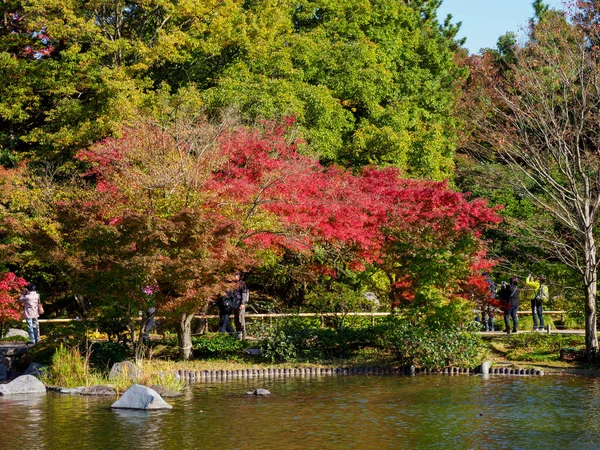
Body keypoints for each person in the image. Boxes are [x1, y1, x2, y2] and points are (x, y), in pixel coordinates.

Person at [217, 271, 249, 339]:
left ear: (238, 276)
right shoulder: (230, 284)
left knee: (240, 319)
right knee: (235, 320)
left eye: (235, 275)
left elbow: (244, 293)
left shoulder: (242, 283)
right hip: (232, 303)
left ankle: (243, 336)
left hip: (239, 303)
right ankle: (237, 334)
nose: (233, 277)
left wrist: (243, 303)